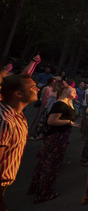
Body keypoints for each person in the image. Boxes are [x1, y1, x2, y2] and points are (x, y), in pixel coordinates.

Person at [28, 86, 79, 203]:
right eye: (73, 90)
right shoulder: (60, 104)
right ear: (65, 91)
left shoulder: (67, 102)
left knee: (49, 163)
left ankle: (38, 188)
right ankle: (44, 193)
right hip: (55, 138)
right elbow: (51, 121)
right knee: (50, 165)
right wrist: (68, 122)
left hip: (60, 137)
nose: (75, 91)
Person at [0, 74, 39, 210]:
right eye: (33, 87)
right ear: (18, 94)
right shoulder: (6, 121)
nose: (38, 89)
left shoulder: (18, 114)